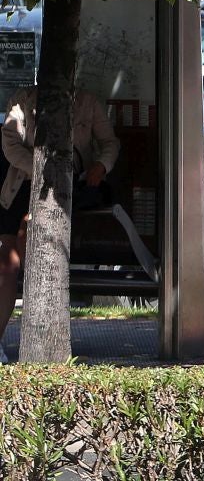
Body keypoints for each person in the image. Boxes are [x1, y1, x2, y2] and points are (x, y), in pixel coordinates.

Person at [0, 85, 120, 360]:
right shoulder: (23, 99)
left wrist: (100, 166)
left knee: (23, 241)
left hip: (66, 190)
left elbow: (110, 143)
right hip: (21, 187)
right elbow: (10, 144)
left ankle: (32, 339)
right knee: (7, 261)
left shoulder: (88, 102)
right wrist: (42, 169)